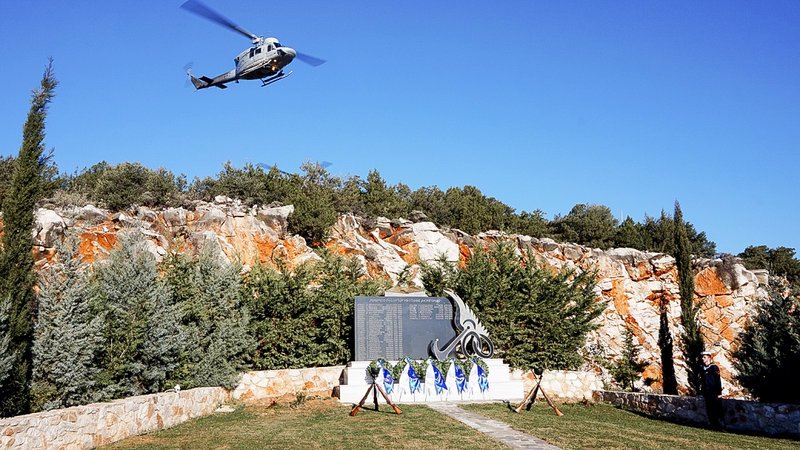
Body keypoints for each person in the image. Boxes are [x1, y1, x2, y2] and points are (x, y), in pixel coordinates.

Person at [701, 351, 723, 429]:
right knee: (709, 409)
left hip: (714, 392)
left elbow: (717, 380)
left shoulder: (714, 367)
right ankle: (712, 424)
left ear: (709, 358)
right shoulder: (703, 368)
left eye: (704, 357)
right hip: (707, 392)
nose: (703, 359)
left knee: (716, 409)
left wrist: (719, 392)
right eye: (702, 357)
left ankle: (718, 425)